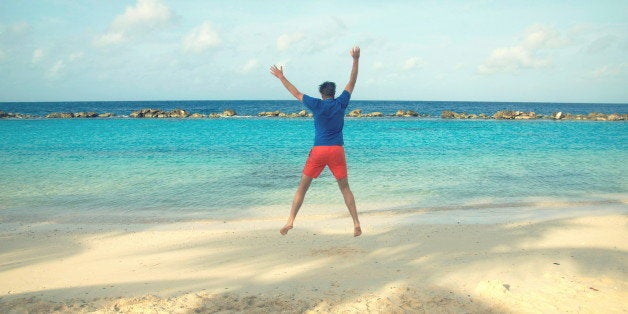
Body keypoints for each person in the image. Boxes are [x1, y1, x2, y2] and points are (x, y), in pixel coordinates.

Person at [270, 46, 362, 237]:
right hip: (337, 150)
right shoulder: (341, 102)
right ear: (334, 93)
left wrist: (281, 77)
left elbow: (295, 93)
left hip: (319, 150)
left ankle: (290, 221)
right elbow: (352, 81)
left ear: (322, 93)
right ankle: (355, 223)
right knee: (345, 189)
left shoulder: (316, 104)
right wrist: (355, 59)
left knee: (302, 188)